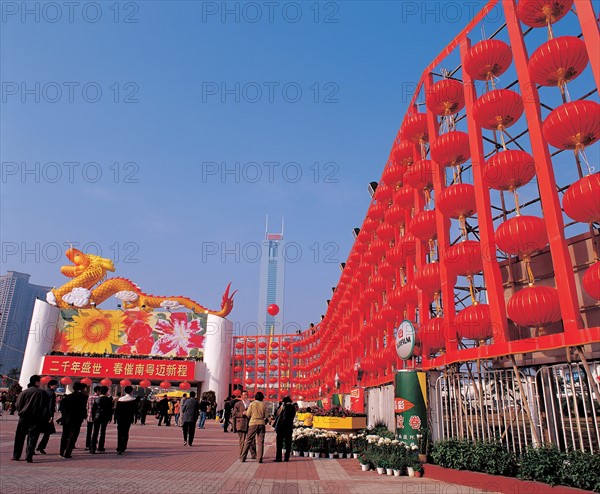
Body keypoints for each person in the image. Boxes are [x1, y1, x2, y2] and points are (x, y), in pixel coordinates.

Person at [12, 375, 50, 463]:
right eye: (40, 381)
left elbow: (17, 405)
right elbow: (45, 407)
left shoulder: (23, 392)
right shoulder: (42, 393)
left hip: (23, 417)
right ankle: (29, 456)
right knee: (32, 437)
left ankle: (16, 455)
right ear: (36, 382)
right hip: (36, 418)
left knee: (19, 437)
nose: (41, 383)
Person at [58, 382, 88, 459]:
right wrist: (84, 416)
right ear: (81, 389)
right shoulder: (83, 397)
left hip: (66, 419)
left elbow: (61, 408)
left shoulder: (67, 397)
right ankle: (67, 453)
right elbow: (83, 408)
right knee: (73, 436)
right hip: (76, 419)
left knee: (64, 435)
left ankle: (61, 452)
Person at [240, 391, 267, 463]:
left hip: (253, 423)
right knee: (260, 442)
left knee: (248, 440)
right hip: (261, 423)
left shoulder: (252, 404)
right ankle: (259, 459)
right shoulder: (264, 404)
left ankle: (243, 457)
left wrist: (246, 413)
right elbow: (266, 415)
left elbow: (248, 414)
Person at [36, 379, 59, 455]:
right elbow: (50, 406)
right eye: (56, 385)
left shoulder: (43, 391)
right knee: (48, 432)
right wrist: (51, 416)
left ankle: (32, 448)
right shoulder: (52, 393)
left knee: (36, 432)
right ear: (51, 385)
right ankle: (41, 446)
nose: (56, 386)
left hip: (39, 414)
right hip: (47, 415)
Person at [232, 391, 256, 459]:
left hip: (250, 424)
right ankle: (242, 455)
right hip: (241, 424)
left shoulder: (251, 403)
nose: (246, 396)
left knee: (252, 440)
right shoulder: (237, 404)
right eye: (244, 395)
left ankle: (254, 454)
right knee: (242, 441)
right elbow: (234, 414)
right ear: (241, 396)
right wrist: (242, 413)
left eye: (246, 395)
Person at [90, 386, 113, 454]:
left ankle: (92, 448)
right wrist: (110, 417)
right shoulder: (108, 400)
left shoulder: (97, 399)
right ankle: (101, 447)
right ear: (106, 392)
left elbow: (93, 410)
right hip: (105, 417)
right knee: (103, 432)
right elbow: (110, 410)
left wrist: (94, 417)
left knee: (95, 432)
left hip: (97, 417)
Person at [115, 385, 137, 454]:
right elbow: (134, 411)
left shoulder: (120, 400)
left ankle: (119, 447)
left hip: (120, 419)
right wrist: (133, 419)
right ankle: (123, 447)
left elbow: (117, 411)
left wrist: (115, 419)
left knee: (119, 433)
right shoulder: (133, 400)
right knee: (125, 432)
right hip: (128, 419)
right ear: (131, 391)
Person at [274, 396, 296, 462]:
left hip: (281, 428)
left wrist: (280, 407)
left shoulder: (283, 407)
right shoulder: (293, 408)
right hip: (289, 427)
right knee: (288, 443)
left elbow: (277, 414)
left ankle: (279, 458)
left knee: (279, 443)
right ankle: (287, 458)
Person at [85, 386, 101, 450]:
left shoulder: (90, 397)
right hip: (97, 417)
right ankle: (93, 445)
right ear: (97, 391)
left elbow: (87, 407)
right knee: (95, 432)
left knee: (89, 432)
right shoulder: (99, 398)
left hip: (89, 416)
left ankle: (87, 445)